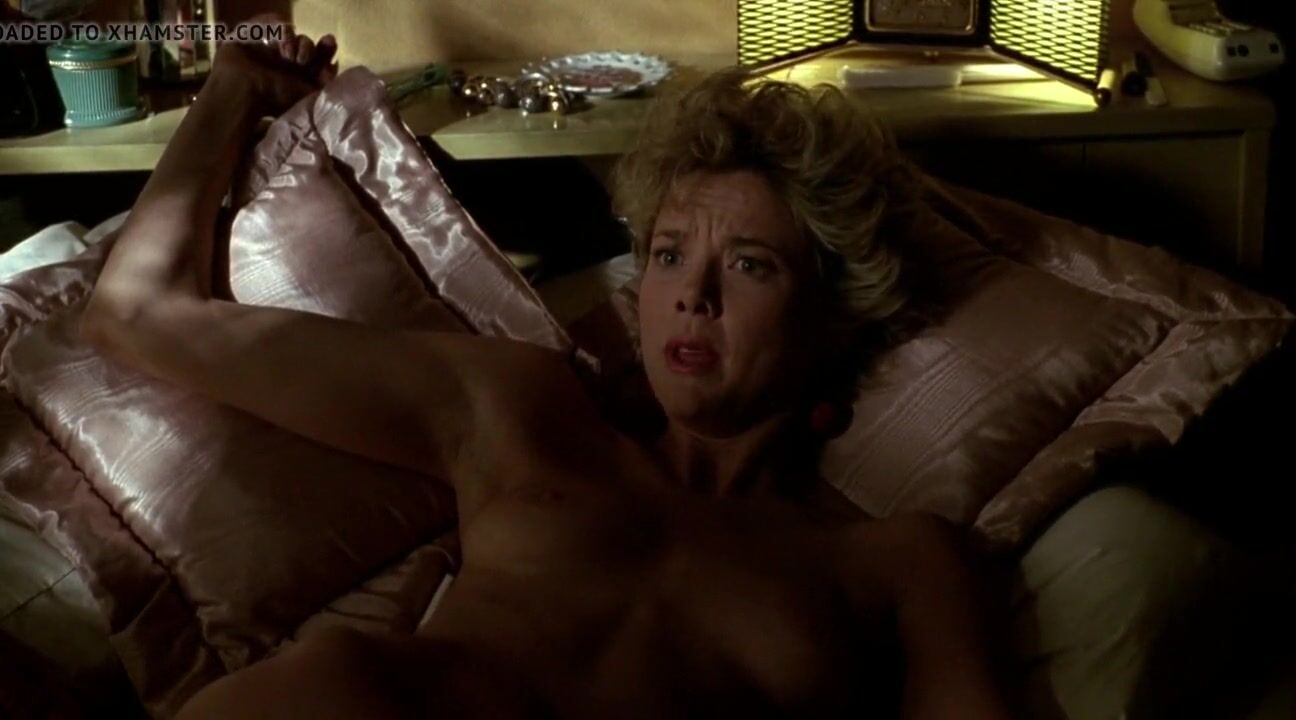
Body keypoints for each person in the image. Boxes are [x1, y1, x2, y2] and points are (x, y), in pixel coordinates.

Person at [82, 18, 1012, 720]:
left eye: (751, 265)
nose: (693, 296)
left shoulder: (897, 562)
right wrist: (233, 93)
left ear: (835, 310)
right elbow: (138, 311)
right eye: (668, 255)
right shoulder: (522, 408)